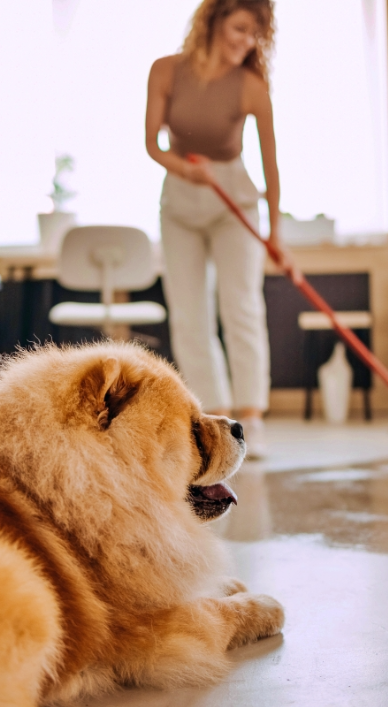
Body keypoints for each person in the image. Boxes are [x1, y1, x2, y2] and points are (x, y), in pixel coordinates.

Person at [145, 0, 280, 458]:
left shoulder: (250, 87)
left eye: (255, 35)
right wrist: (184, 169)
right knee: (189, 314)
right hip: (180, 200)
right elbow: (152, 145)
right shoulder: (165, 71)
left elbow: (271, 167)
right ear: (213, 21)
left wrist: (275, 234)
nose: (246, 41)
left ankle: (252, 419)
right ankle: (216, 420)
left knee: (240, 305)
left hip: (234, 201)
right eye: (240, 28)